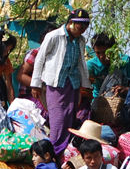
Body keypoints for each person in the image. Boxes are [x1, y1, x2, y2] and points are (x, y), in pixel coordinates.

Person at [30, 9, 92, 155]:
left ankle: (62, 153)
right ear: (71, 23)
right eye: (79, 25)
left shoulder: (80, 41)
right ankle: (53, 153)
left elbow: (81, 64)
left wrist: (86, 85)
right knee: (58, 119)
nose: (82, 29)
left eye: (85, 26)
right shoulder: (54, 36)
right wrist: (36, 83)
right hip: (56, 83)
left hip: (73, 84)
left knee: (69, 118)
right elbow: (40, 59)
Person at [86, 32, 130, 98]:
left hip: (124, 101)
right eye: (98, 53)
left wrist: (126, 89)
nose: (101, 56)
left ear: (113, 49)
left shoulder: (125, 61)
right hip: (99, 102)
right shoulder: (91, 65)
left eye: (105, 52)